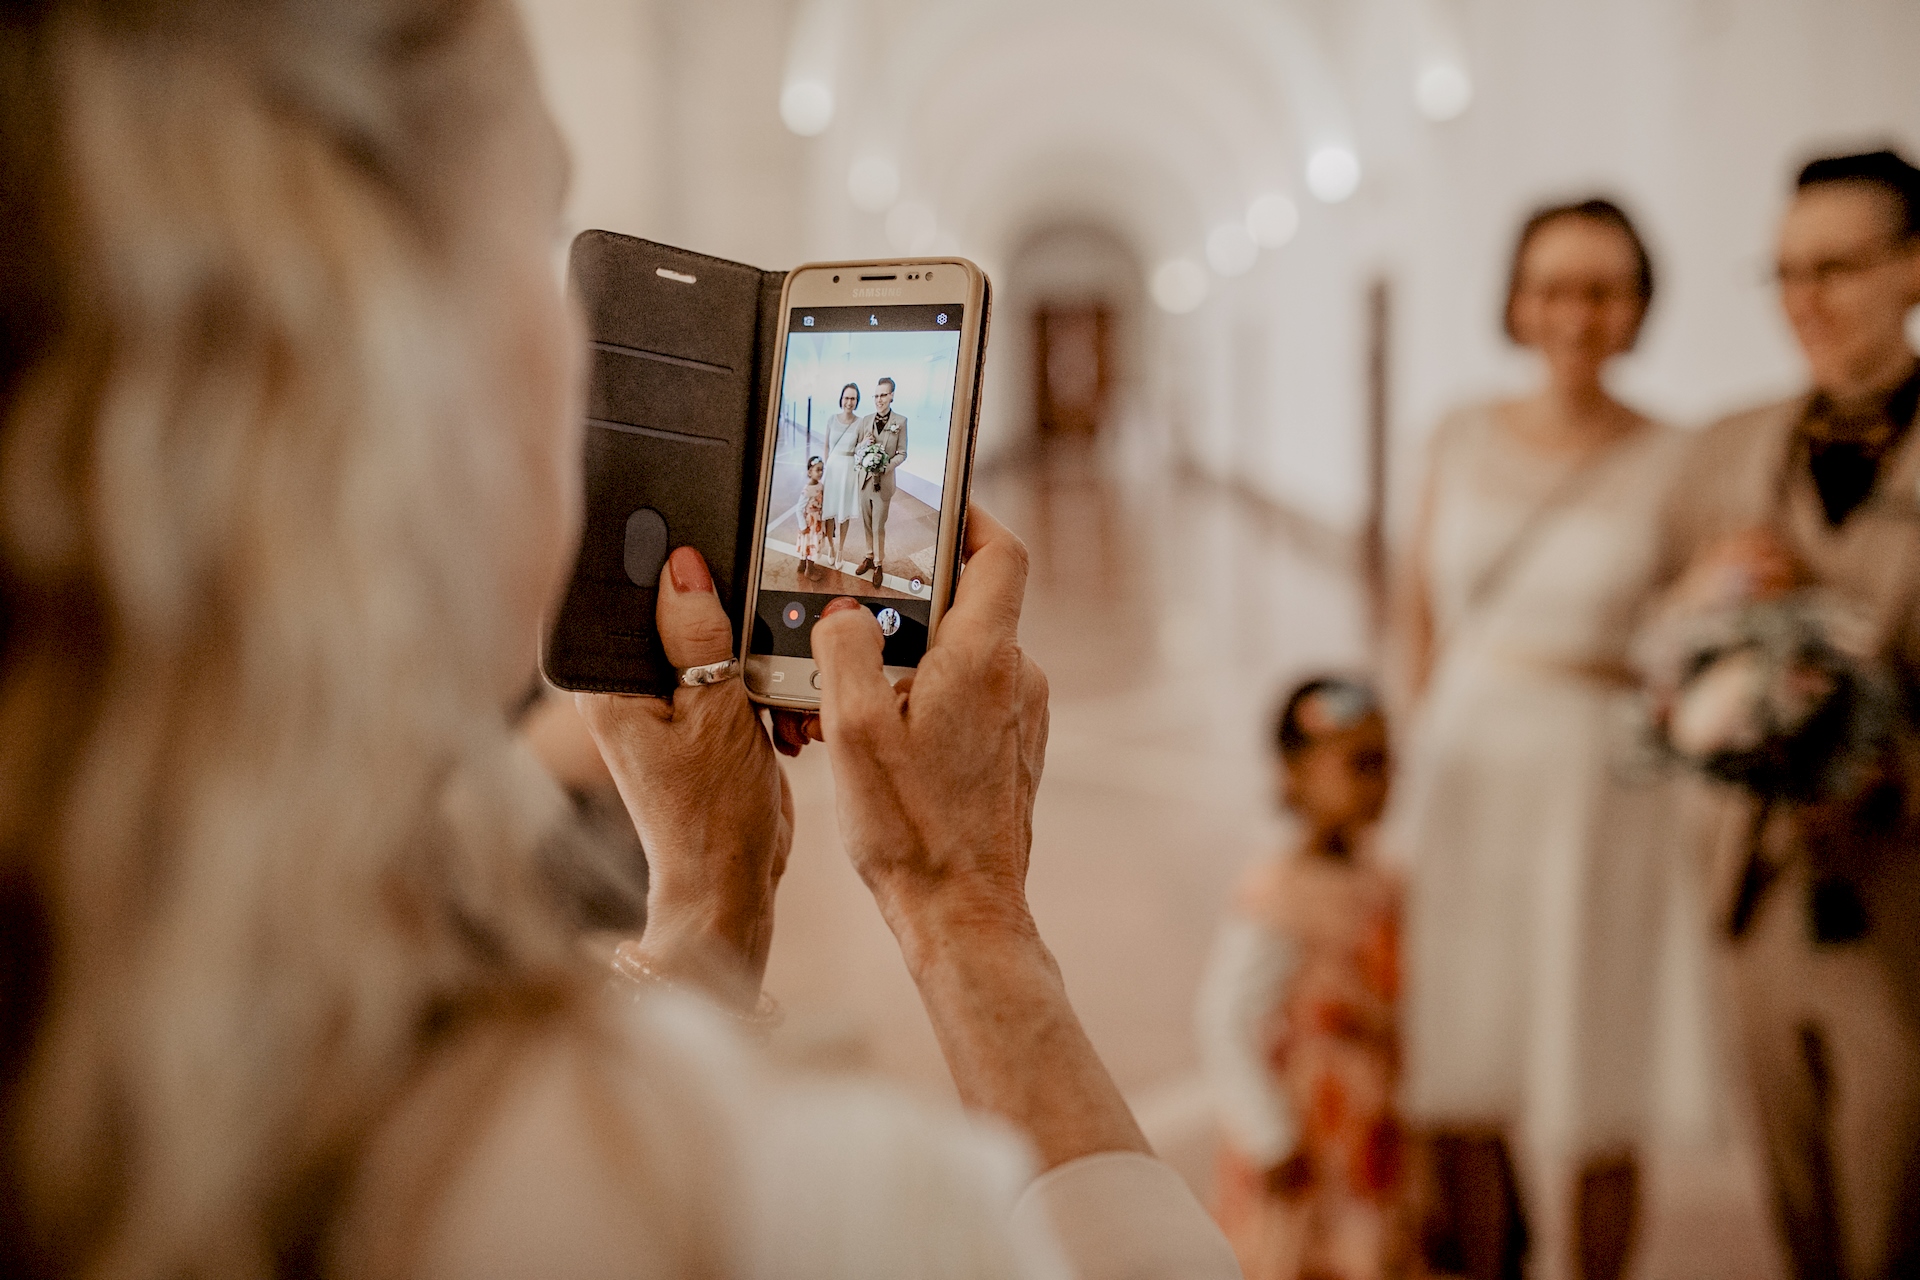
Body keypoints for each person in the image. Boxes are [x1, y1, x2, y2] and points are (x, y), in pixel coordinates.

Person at [0, 4, 1241, 1278]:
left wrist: (708, 898)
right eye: (540, 232)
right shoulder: (742, 1202)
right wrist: (962, 904)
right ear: (379, 341)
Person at [1390, 199, 1709, 1280]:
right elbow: (1420, 609)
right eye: (1555, 287)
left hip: (1600, 776)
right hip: (1468, 759)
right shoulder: (1460, 430)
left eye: (1604, 289)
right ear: (1518, 301)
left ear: (1638, 306)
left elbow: (1692, 626)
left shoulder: (1676, 455)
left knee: (1599, 1059)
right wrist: (1412, 758)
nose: (1576, 312)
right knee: (1463, 1047)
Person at [1646, 148, 1920, 1280]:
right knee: (1797, 1198)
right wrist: (1700, 605)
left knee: (1895, 1200)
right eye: (1784, 272)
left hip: (1906, 895)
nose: (1804, 300)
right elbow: (1653, 661)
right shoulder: (1723, 452)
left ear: (1912, 268)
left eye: (1838, 267)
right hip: (1754, 888)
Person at [1196, 678, 1419, 1280]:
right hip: (1306, 1130)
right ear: (1294, 774)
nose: (1379, 782)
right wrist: (1268, 1135)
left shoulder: (1384, 879)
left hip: (1370, 1124)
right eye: (1360, 764)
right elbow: (1226, 1019)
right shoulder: (1279, 897)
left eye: (1386, 763)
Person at [855, 376, 909, 587]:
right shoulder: (865, 420)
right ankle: (868, 556)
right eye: (876, 396)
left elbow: (902, 453)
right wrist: (863, 444)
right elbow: (855, 449)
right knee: (866, 522)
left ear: (892, 396)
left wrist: (886, 466)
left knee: (879, 525)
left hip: (883, 483)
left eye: (883, 395)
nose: (879, 399)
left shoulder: (900, 422)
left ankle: (878, 563)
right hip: (864, 482)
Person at [820, 382, 864, 569]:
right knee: (829, 513)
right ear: (841, 399)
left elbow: (860, 449)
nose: (849, 402)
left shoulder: (860, 422)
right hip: (832, 470)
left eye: (853, 398)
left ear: (857, 401)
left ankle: (841, 550)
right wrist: (825, 467)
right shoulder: (831, 419)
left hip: (848, 470)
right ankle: (830, 546)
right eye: (846, 397)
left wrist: (865, 444)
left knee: (843, 514)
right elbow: (826, 446)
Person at [794, 454, 827, 580]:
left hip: (817, 519)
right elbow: (799, 509)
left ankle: (802, 565)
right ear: (809, 472)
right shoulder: (807, 490)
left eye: (821, 470)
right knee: (810, 544)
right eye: (817, 470)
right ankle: (810, 570)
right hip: (810, 522)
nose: (820, 473)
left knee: (808, 543)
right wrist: (803, 526)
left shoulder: (820, 486)